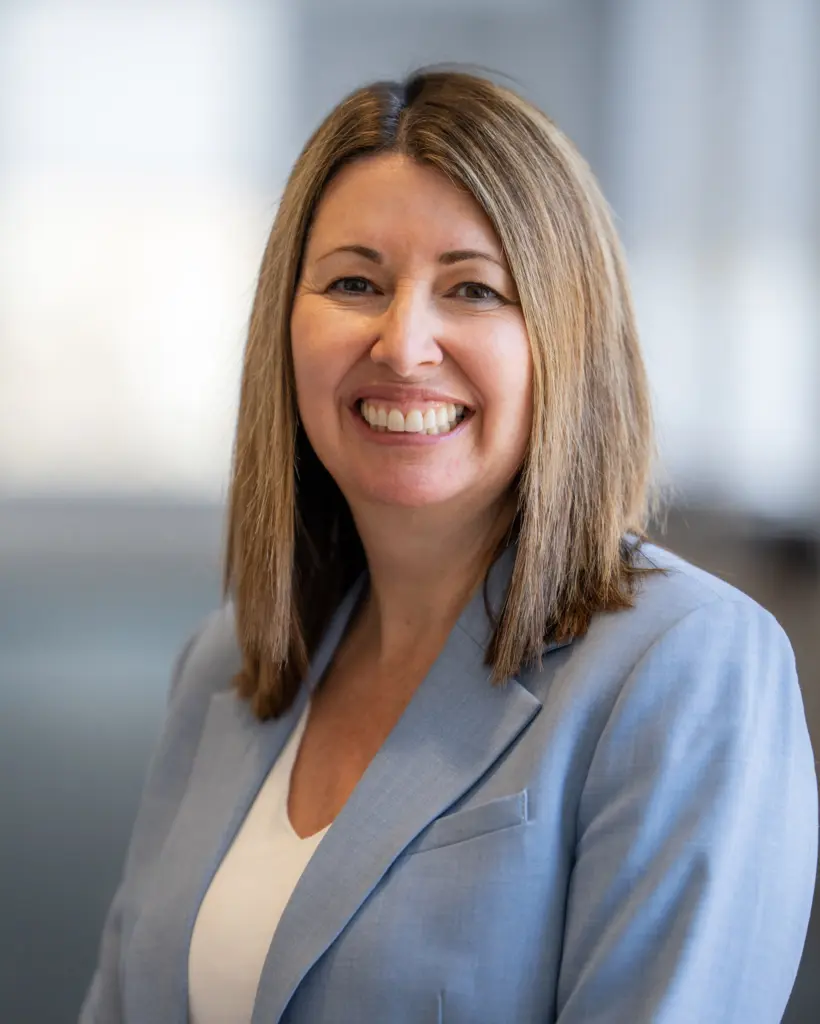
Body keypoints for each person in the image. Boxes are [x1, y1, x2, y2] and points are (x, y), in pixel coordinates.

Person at [79, 69, 817, 1024]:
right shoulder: (228, 665)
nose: (403, 342)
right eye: (355, 282)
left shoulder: (689, 667)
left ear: (567, 339)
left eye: (473, 289)